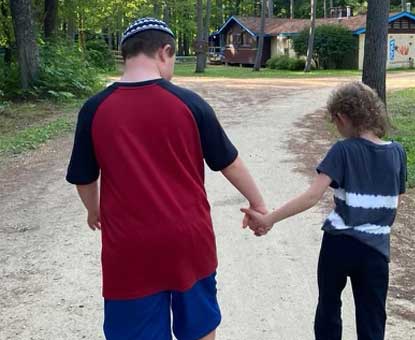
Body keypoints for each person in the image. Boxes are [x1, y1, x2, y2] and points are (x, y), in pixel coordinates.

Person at [66, 18, 267, 340]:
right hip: (189, 239)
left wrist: (94, 211)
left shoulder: (94, 109)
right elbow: (229, 162)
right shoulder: (189, 103)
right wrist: (258, 204)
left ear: (126, 54)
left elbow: (84, 179)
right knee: (199, 326)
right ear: (166, 52)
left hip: (129, 246)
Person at [243, 82, 407, 340]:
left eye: (335, 123)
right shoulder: (397, 152)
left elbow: (311, 196)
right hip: (376, 251)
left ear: (342, 117)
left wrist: (269, 219)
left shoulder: (343, 150)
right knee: (372, 316)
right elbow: (395, 200)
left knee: (329, 306)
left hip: (339, 245)